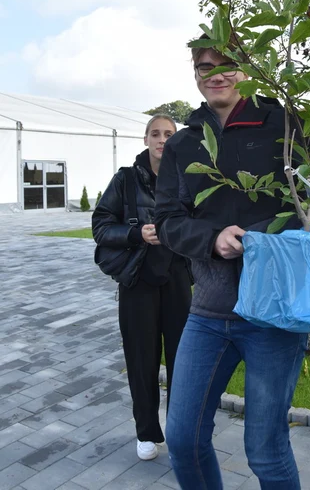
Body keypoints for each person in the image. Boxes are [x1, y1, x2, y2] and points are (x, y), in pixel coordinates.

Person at [154, 44, 310, 489]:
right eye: (205, 67)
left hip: (277, 315)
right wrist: (211, 239)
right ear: (195, 74)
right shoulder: (184, 144)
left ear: (245, 70)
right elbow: (167, 221)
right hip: (209, 312)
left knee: (265, 449)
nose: (215, 75)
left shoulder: (282, 124)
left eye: (226, 65)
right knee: (183, 439)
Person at [92, 114, 191, 461]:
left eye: (169, 134)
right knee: (141, 360)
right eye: (156, 134)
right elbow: (101, 226)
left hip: (179, 280)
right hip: (137, 283)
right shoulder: (126, 179)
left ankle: (179, 431)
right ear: (145, 138)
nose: (162, 140)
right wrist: (137, 234)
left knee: (184, 361)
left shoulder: (187, 177)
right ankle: (147, 433)